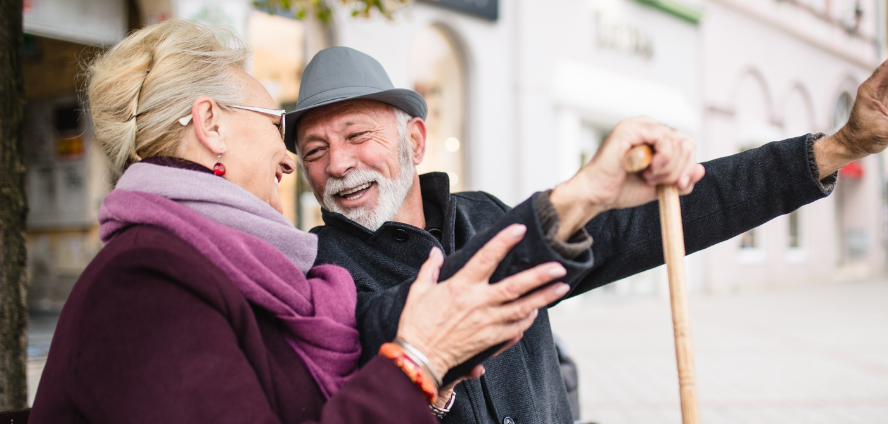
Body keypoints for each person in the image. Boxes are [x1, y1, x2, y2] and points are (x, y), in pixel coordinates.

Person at [286, 45, 888, 424]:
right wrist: (575, 197)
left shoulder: (481, 214)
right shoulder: (320, 268)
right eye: (315, 149)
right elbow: (414, 315)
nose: (337, 164)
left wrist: (835, 148)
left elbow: (664, 217)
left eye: (357, 136)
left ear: (415, 141)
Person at [29, 20, 576, 424]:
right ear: (212, 125)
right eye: (276, 125)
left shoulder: (213, 264)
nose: (291, 161)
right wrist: (416, 366)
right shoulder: (145, 285)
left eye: (358, 135)